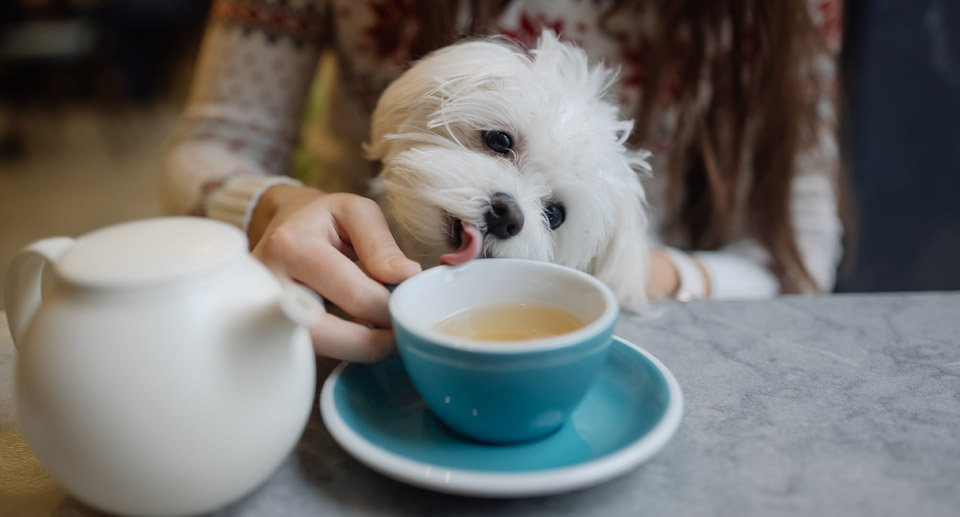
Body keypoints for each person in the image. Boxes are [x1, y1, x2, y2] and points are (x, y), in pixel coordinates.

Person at [163, 0, 847, 361]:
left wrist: (654, 275)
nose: (510, 210)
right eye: (496, 143)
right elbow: (211, 147)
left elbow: (799, 251)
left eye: (551, 214)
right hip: (325, 316)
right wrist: (279, 205)